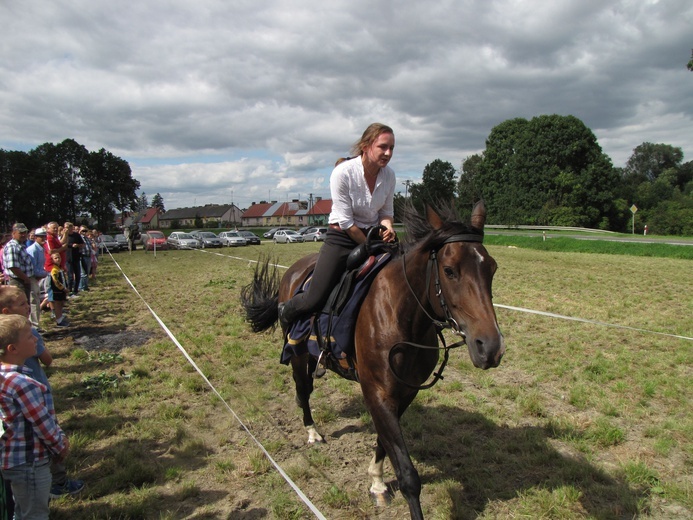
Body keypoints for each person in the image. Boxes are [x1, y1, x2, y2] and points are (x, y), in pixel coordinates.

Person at [278, 123, 397, 327]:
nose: (388, 153)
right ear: (366, 146)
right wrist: (370, 246)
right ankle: (286, 311)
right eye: (383, 147)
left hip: (373, 237)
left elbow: (386, 213)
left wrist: (388, 229)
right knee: (314, 298)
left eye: (392, 148)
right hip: (342, 237)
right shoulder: (343, 173)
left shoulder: (389, 176)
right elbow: (347, 223)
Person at [0, 287, 85, 500]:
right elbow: (47, 359)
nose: (28, 306)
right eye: (21, 304)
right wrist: (59, 444)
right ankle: (59, 482)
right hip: (30, 449)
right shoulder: (23, 384)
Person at [0, 314, 70, 519]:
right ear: (13, 348)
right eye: (30, 337)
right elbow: (43, 424)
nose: (36, 340)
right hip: (30, 463)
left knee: (20, 508)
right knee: (35, 513)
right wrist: (60, 445)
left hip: (10, 458)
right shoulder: (23, 384)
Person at [1, 223, 34, 303]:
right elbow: (13, 267)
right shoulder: (12, 246)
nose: (23, 235)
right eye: (20, 233)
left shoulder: (20, 245)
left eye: (25, 232)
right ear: (13, 233)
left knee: (25, 306)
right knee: (19, 306)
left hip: (23, 280)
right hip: (18, 281)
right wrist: (25, 279)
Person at [26, 229, 48, 330]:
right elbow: (33, 268)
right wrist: (45, 273)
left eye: (44, 236)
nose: (43, 238)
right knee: (34, 301)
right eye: (41, 236)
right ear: (35, 237)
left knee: (36, 300)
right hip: (32, 278)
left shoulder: (41, 248)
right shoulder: (33, 250)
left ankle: (35, 324)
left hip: (38, 278)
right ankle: (34, 326)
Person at [47, 252, 70, 327]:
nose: (58, 259)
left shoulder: (60, 268)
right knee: (57, 305)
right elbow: (55, 281)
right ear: (52, 260)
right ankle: (59, 321)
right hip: (57, 290)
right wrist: (63, 288)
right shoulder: (54, 270)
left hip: (62, 290)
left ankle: (60, 317)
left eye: (59, 257)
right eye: (55, 258)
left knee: (61, 304)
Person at [63, 223, 84, 298]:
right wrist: (70, 245)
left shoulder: (76, 235)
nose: (67, 229)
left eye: (68, 227)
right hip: (68, 258)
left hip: (76, 257)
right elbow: (61, 244)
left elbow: (82, 244)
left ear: (72, 228)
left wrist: (77, 245)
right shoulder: (64, 236)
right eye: (65, 227)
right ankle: (69, 291)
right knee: (70, 276)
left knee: (78, 275)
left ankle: (75, 291)